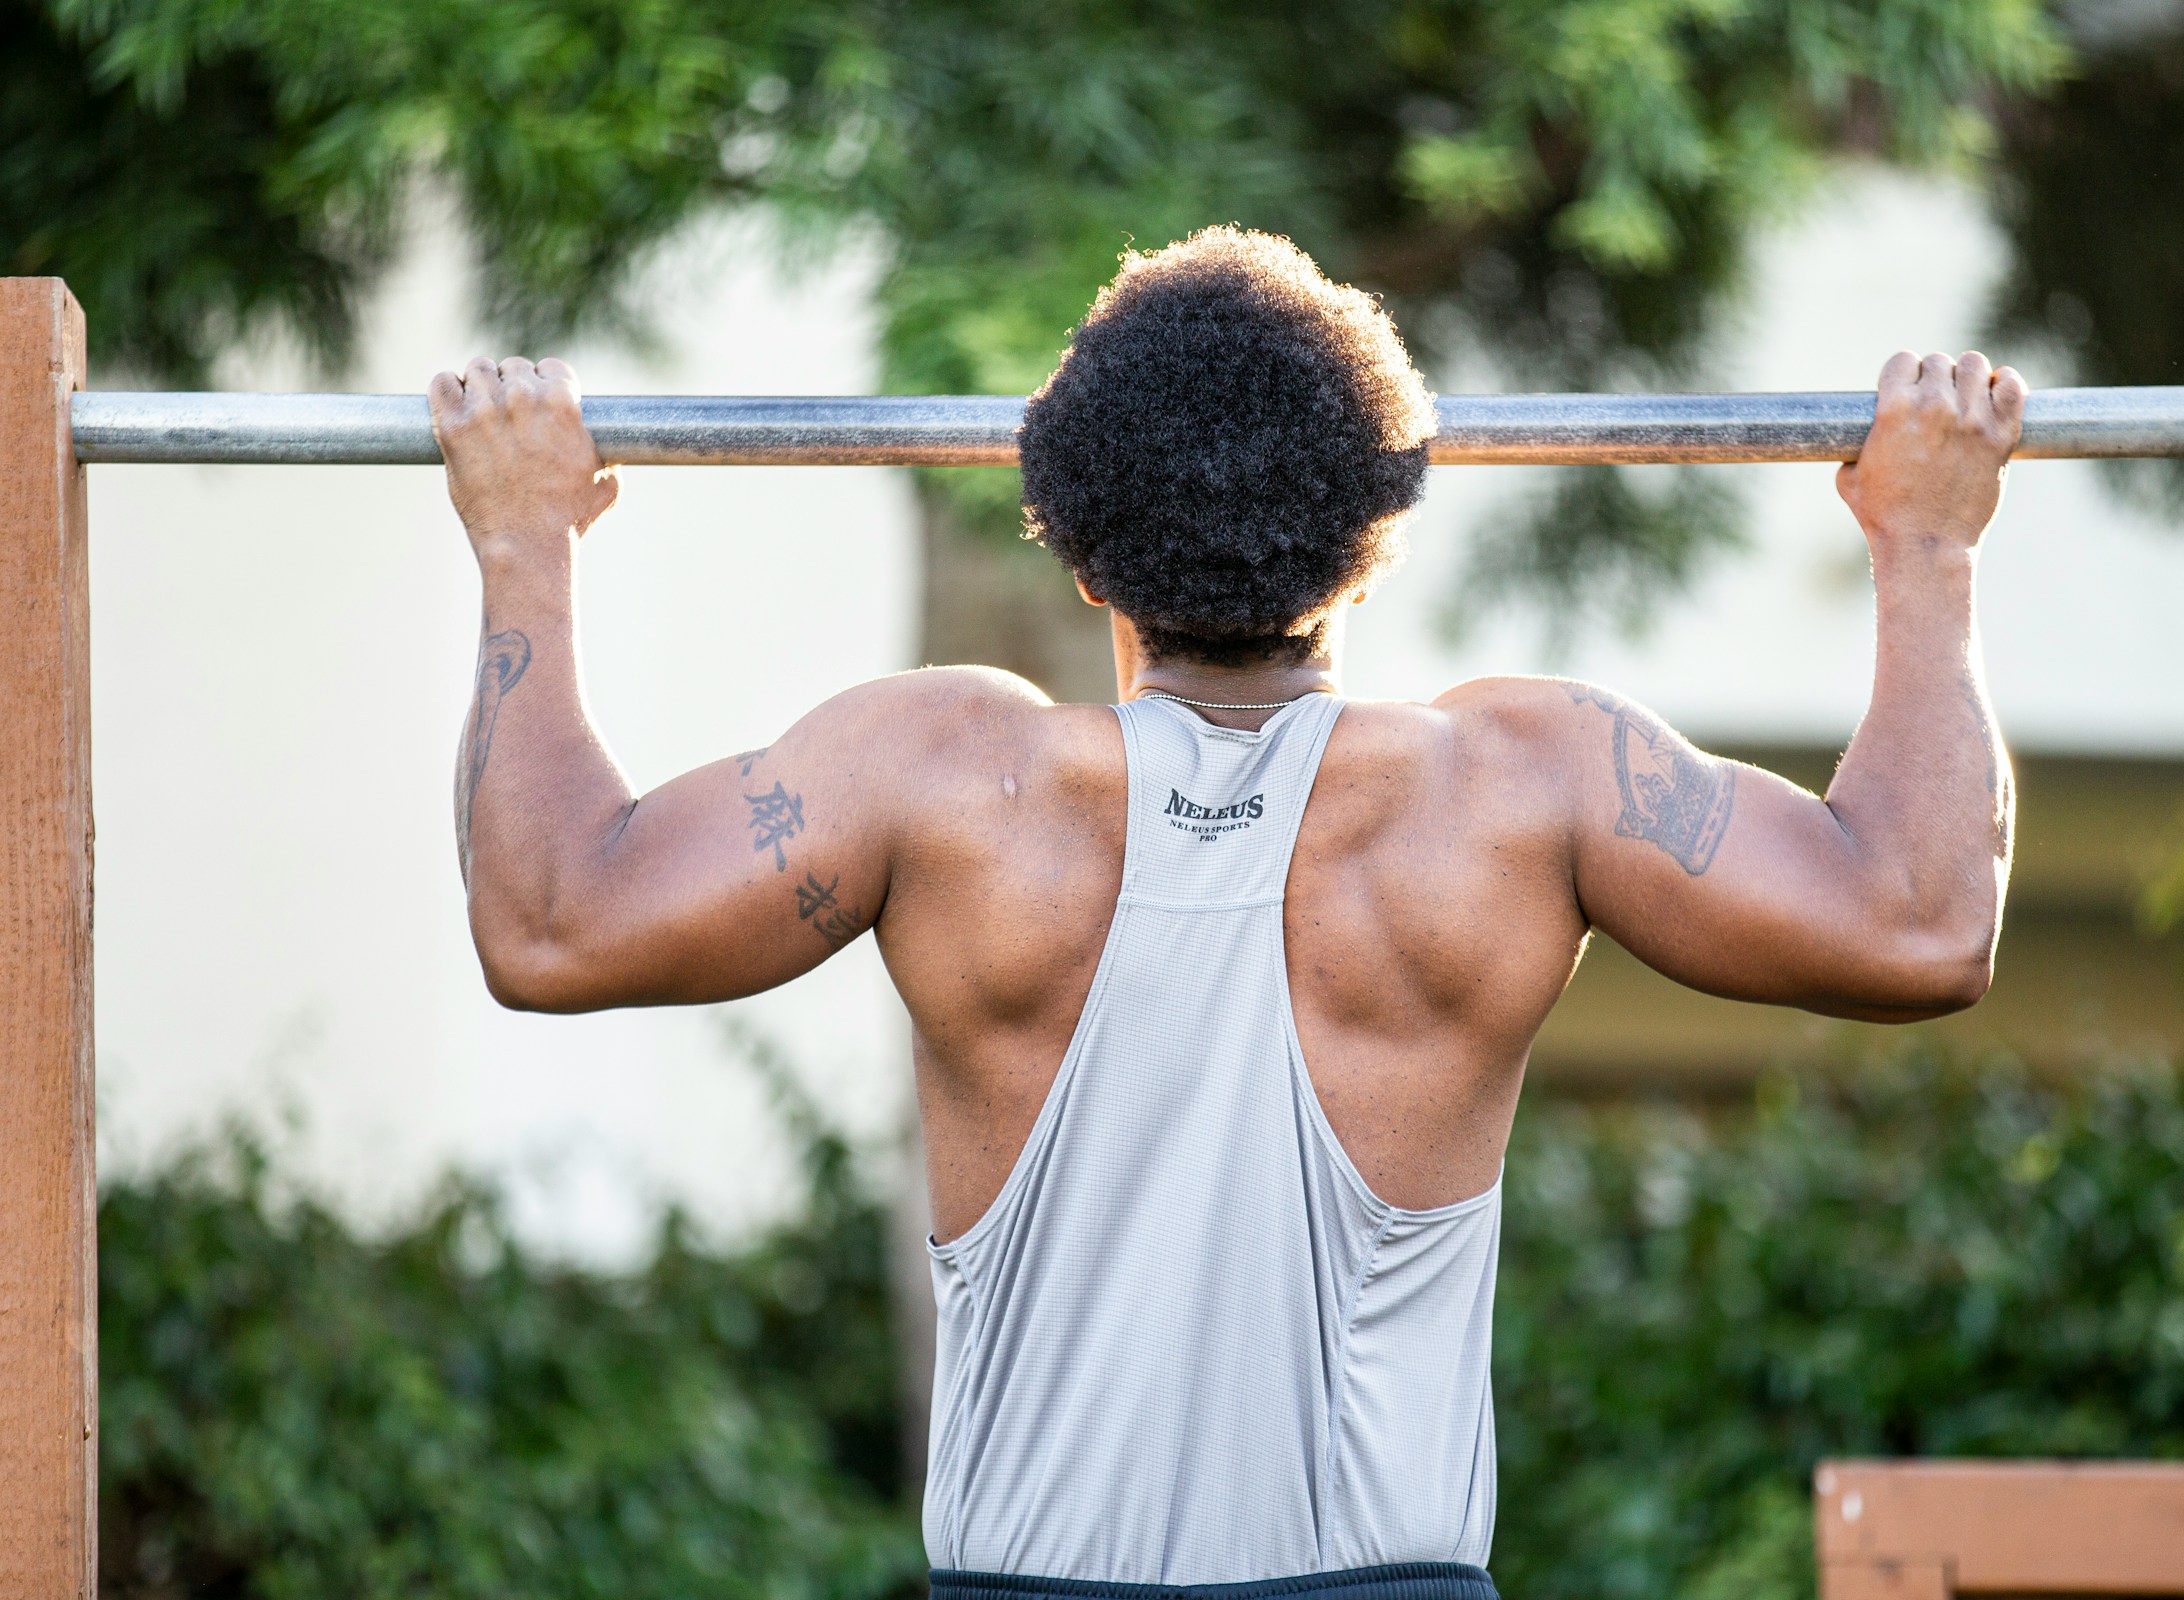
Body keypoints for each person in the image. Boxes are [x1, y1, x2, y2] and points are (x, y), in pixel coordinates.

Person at [430, 225, 2021, 1600]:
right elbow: (1918, 922)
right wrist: (1929, 544)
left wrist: (522, 545)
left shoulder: (940, 781)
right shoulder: (1517, 793)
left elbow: (555, 921)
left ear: (1080, 554)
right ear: (1373, 540)